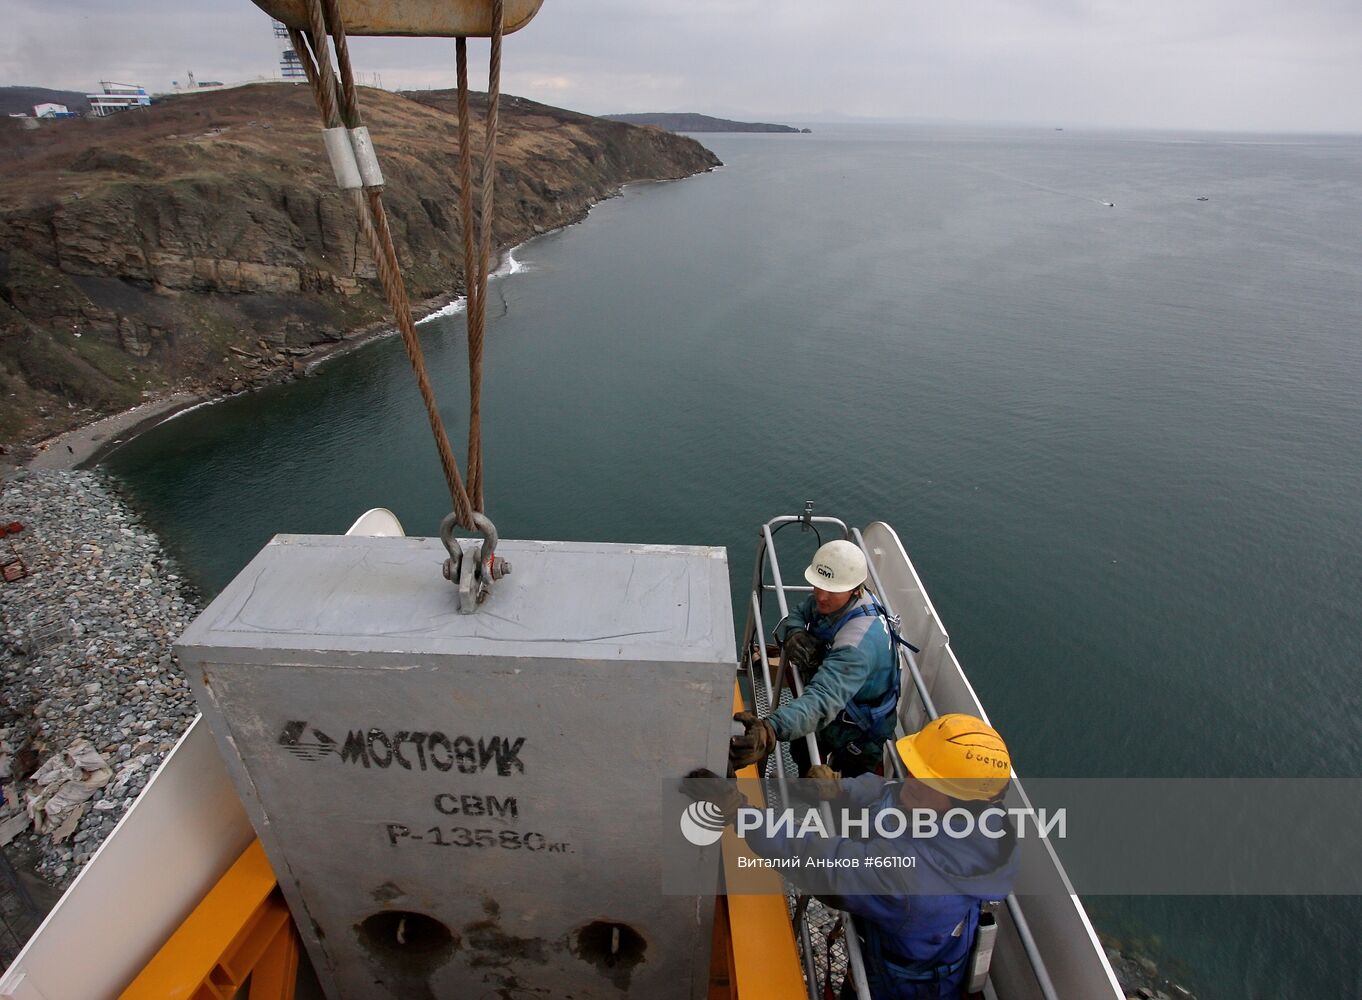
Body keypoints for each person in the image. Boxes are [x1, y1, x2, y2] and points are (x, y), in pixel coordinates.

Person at [690, 714, 1018, 999]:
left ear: (964, 805)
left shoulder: (911, 878)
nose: (912, 780)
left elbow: (821, 862)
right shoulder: (981, 821)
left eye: (929, 779)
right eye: (915, 769)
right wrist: (840, 789)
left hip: (897, 987)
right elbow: (890, 794)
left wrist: (740, 812)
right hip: (934, 952)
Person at [731, 539, 898, 777]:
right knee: (802, 752)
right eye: (818, 586)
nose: (821, 596)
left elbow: (822, 700)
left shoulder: (858, 645)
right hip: (837, 713)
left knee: (852, 792)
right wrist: (796, 632)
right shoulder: (840, 600)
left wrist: (771, 729)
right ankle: (804, 792)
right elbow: (801, 611)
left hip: (859, 730)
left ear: (855, 588)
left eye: (831, 590)